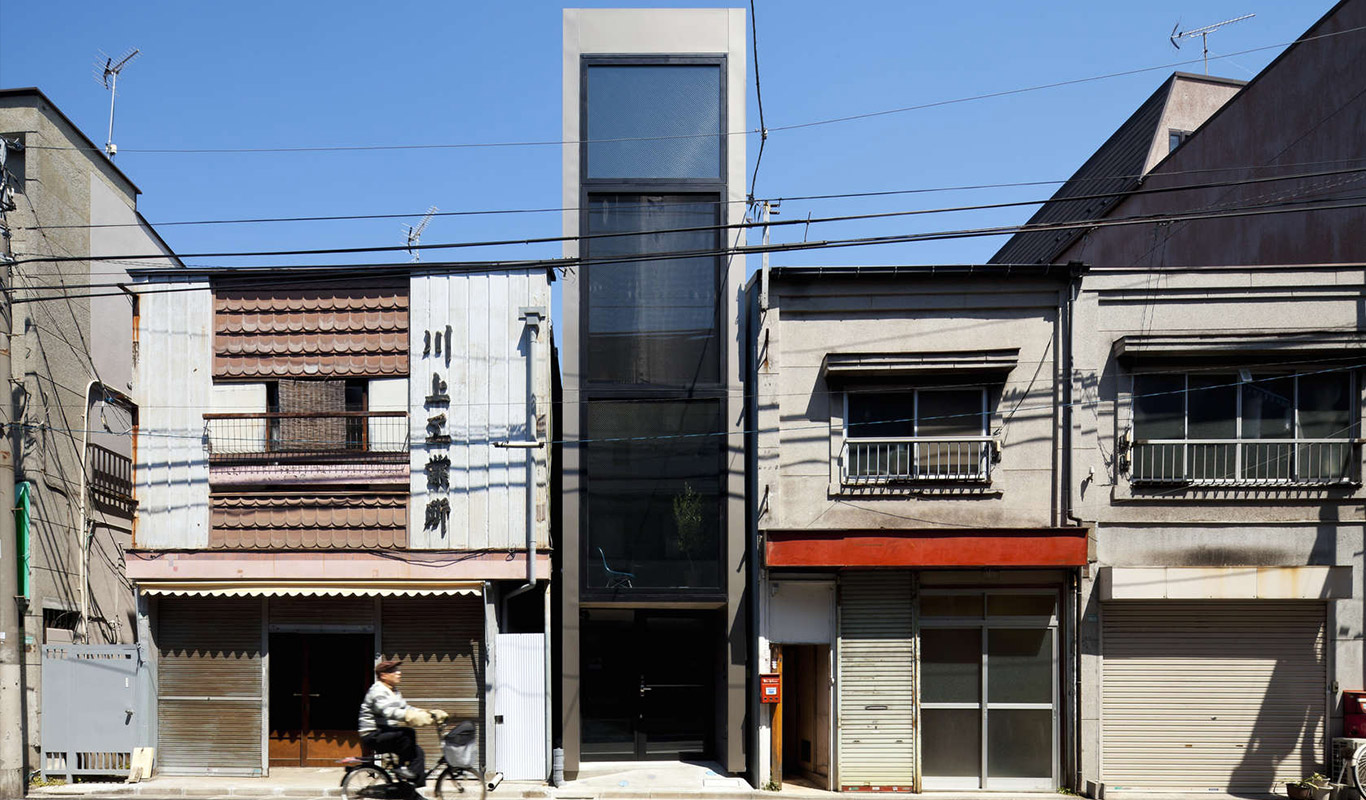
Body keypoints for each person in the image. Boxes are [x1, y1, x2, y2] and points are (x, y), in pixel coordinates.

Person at [357, 660, 448, 784]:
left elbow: (405, 708)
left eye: (398, 670)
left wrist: (429, 713)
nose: (399, 673)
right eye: (394, 671)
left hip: (384, 731)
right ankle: (402, 768)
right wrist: (410, 717)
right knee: (408, 732)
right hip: (372, 735)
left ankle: (411, 790)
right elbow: (389, 711)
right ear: (383, 675)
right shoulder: (378, 690)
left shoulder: (393, 691)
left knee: (418, 753)